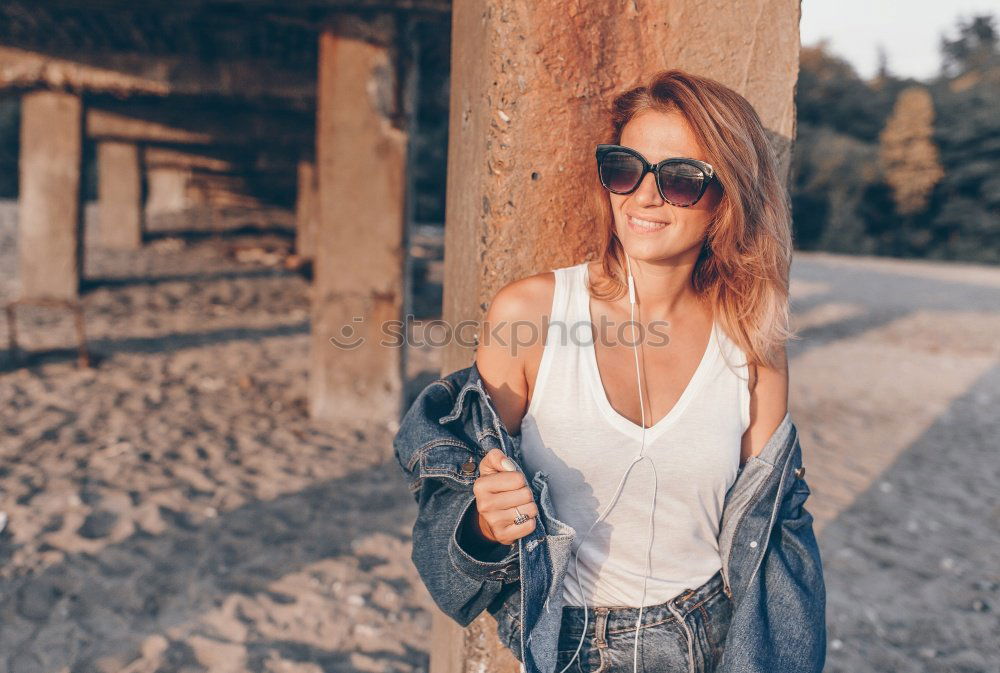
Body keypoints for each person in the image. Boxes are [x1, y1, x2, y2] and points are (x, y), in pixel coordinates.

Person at [463, 69, 806, 672]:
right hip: (566, 642)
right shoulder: (528, 314)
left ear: (727, 200)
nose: (644, 196)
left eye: (679, 179)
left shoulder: (753, 340)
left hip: (709, 639)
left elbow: (771, 526)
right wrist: (487, 523)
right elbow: (456, 497)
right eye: (625, 167)